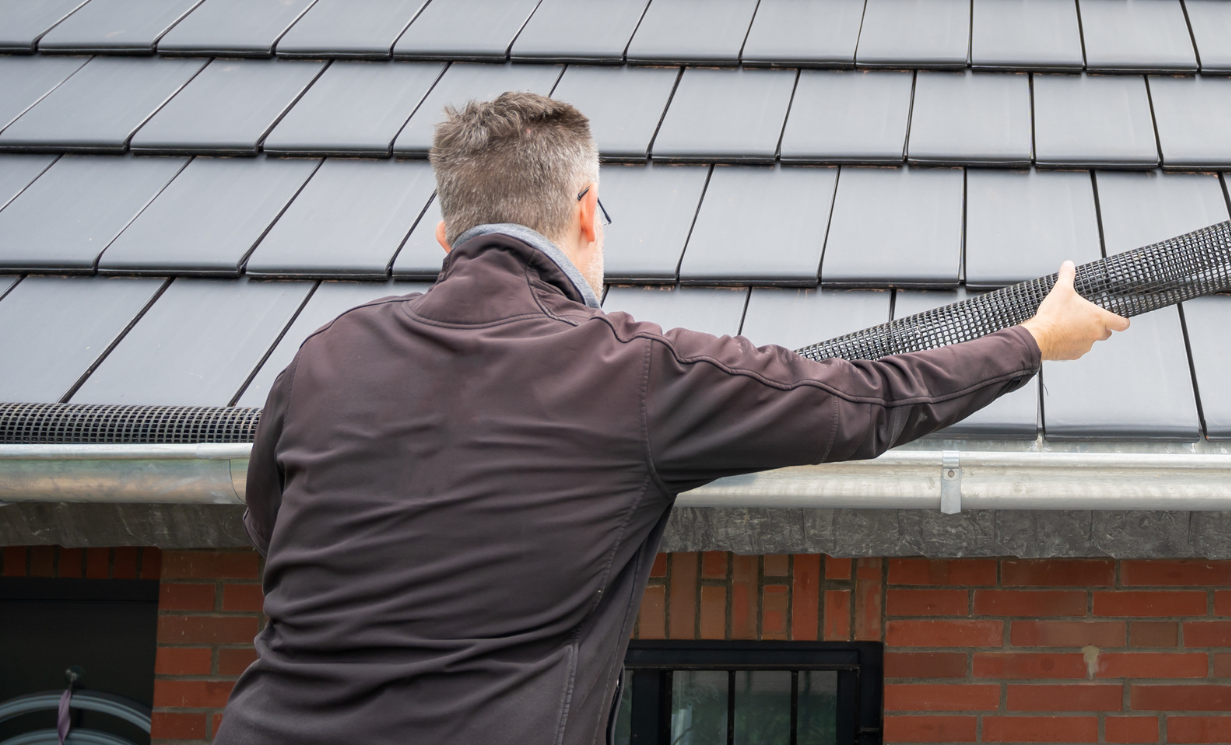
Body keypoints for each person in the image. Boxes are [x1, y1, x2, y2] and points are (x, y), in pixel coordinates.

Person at [218, 92, 1128, 745]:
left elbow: (274, 529)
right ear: (585, 213)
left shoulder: (325, 357)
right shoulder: (633, 373)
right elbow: (860, 401)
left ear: (446, 238)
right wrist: (1034, 342)